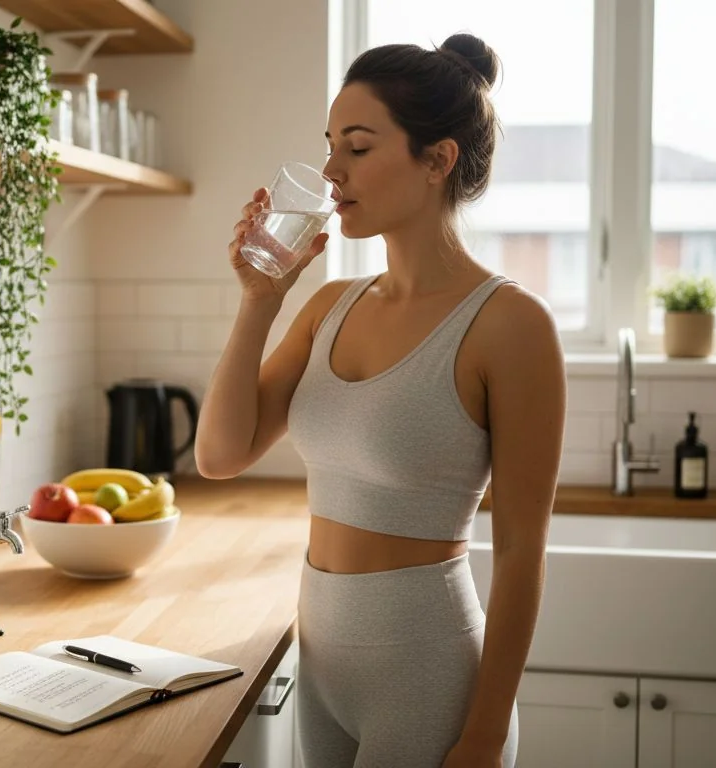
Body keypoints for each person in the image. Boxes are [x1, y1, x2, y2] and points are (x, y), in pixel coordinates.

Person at [194, 32, 565, 768]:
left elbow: (522, 551)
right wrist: (260, 303)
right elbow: (219, 455)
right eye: (330, 146)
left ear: (438, 159)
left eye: (357, 148)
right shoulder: (328, 305)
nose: (331, 172)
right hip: (321, 657)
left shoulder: (511, 325)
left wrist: (484, 737)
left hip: (428, 675)